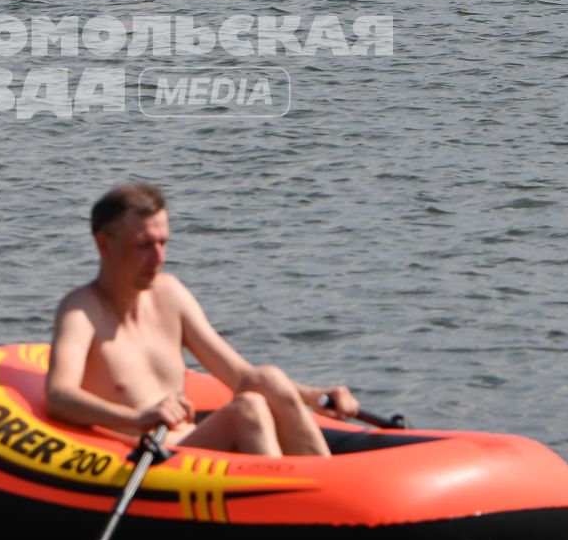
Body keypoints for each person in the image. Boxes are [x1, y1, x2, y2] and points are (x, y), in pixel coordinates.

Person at [44, 183, 359, 457]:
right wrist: (137, 416)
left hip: (193, 445)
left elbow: (240, 375)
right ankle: (289, 504)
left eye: (163, 243)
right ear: (104, 244)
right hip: (146, 456)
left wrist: (314, 396)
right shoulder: (82, 310)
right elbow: (59, 395)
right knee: (248, 410)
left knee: (266, 378)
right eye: (143, 246)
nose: (158, 258)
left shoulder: (170, 293)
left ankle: (326, 490)